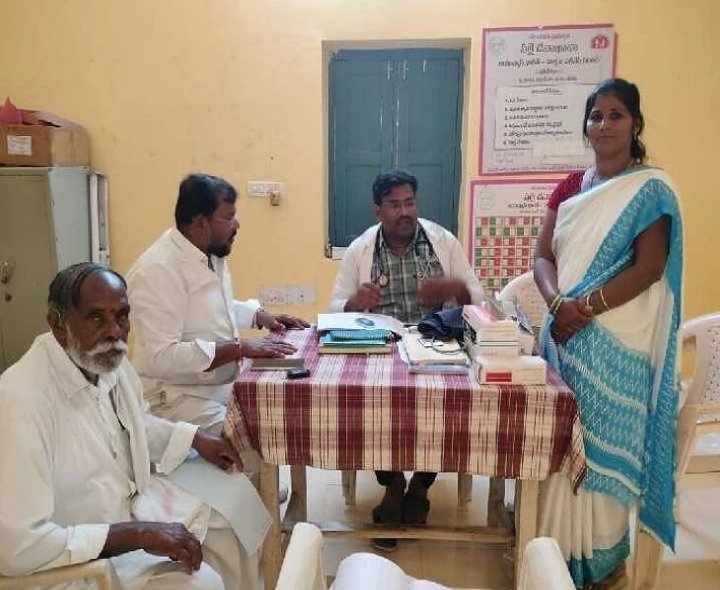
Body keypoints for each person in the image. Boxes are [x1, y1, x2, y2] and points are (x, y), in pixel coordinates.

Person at [0, 263, 267, 590]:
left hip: (130, 507)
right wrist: (138, 534)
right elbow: (18, 547)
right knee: (203, 584)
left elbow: (135, 425)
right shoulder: (22, 401)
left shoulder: (106, 361)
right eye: (96, 317)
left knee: (234, 501)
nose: (114, 331)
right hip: (75, 562)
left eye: (122, 316)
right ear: (58, 324)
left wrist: (195, 438)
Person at [533, 79, 683, 589]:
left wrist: (586, 309)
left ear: (635, 123)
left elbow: (650, 266)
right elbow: (542, 256)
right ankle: (549, 554)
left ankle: (600, 563)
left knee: (600, 448)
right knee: (558, 445)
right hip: (564, 336)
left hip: (615, 340)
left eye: (616, 115)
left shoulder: (649, 190)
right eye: (596, 116)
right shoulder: (571, 188)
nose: (604, 125)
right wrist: (558, 305)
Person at [329, 169, 484, 550]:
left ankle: (421, 485)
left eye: (410, 203)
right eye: (394, 205)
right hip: (381, 346)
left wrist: (456, 289)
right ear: (378, 211)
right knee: (368, 406)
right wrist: (353, 304)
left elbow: (478, 302)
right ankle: (393, 482)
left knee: (448, 408)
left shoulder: (442, 242)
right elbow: (334, 309)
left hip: (437, 343)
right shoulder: (361, 250)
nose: (405, 212)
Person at [127, 174, 309, 495]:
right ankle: (254, 503)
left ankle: (261, 492)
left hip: (215, 386)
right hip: (175, 399)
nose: (237, 225)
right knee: (252, 434)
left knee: (274, 409)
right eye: (229, 217)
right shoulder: (157, 271)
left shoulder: (207, 252)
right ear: (201, 222)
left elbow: (216, 308)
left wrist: (260, 316)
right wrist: (238, 349)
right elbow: (162, 357)